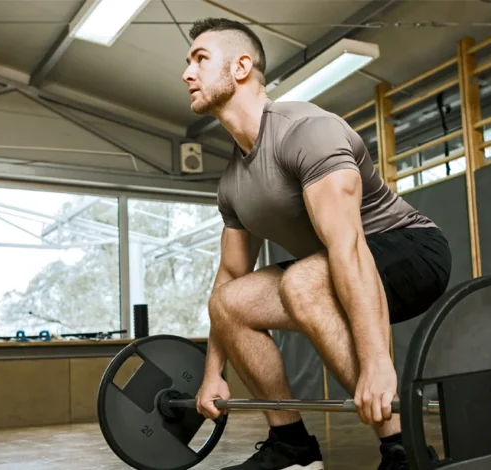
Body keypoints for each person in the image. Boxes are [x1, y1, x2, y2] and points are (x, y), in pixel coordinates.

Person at [182, 17, 451, 470]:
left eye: (200, 60)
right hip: (331, 268)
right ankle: (291, 445)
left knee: (304, 280)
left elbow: (348, 246)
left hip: (410, 250)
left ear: (242, 66)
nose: (187, 73)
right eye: (188, 63)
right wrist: (213, 374)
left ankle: (405, 449)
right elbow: (229, 276)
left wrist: (377, 362)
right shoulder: (232, 182)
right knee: (231, 302)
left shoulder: (305, 130)